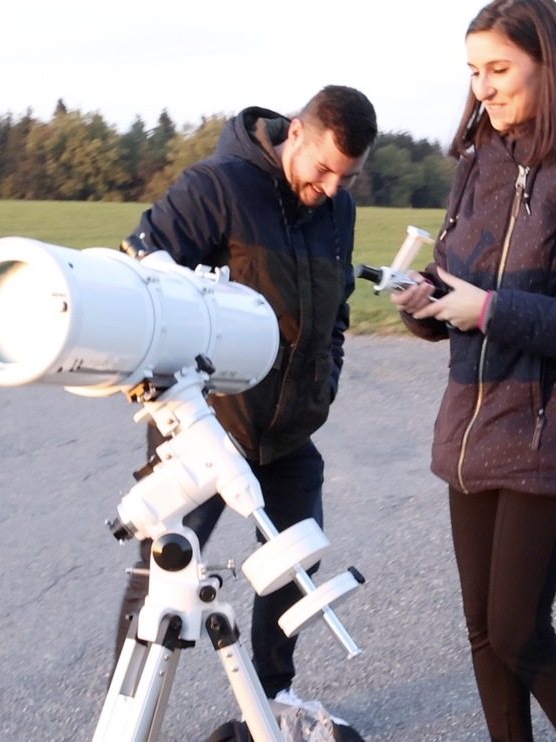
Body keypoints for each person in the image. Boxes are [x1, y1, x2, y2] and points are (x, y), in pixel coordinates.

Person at [389, 1, 556, 739]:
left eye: (499, 69)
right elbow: (457, 287)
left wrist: (491, 311)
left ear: (550, 62)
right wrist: (424, 302)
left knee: (519, 633)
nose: (483, 89)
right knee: (483, 634)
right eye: (474, 72)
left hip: (550, 430)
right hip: (471, 428)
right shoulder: (479, 160)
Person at [113, 85, 378, 719]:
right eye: (324, 170)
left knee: (291, 561)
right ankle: (127, 710)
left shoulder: (337, 210)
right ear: (296, 134)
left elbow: (334, 309)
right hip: (208, 427)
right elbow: (141, 269)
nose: (334, 188)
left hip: (288, 430)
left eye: (348, 177)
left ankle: (273, 698)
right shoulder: (218, 187)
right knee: (164, 569)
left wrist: (325, 379)